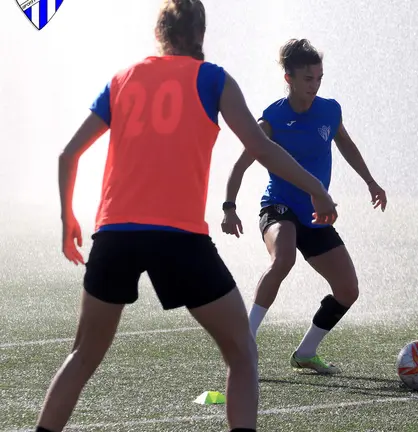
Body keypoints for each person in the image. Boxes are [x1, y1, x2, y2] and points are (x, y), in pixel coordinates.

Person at [35, 1, 338, 431]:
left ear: (160, 33)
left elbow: (69, 154)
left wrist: (68, 219)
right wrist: (317, 188)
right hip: (179, 238)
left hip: (114, 233)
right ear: (201, 35)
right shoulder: (212, 78)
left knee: (83, 355)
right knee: (240, 352)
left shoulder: (123, 78)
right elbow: (261, 148)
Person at [221, 38, 387, 375]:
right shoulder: (270, 120)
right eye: (308, 79)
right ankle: (245, 341)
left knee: (347, 290)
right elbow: (239, 166)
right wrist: (229, 207)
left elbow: (347, 146)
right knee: (284, 258)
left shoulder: (329, 110)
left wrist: (370, 181)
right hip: (279, 207)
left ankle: (306, 351)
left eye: (319, 78)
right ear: (289, 79)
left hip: (316, 214)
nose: (315, 86)